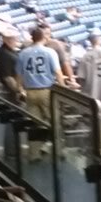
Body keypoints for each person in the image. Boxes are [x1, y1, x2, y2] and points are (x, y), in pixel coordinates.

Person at [16, 25, 61, 154]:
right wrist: (63, 90)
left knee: (34, 124)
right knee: (54, 121)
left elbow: (18, 75)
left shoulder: (23, 53)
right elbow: (58, 73)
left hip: (30, 91)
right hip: (46, 91)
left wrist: (20, 90)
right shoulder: (50, 52)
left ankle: (34, 154)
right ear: (43, 37)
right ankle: (55, 150)